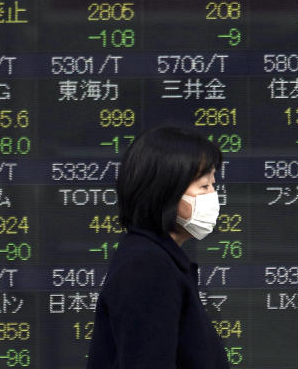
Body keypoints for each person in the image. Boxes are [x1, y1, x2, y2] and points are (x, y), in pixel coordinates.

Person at [86, 126, 230, 369]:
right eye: (204, 186)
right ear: (166, 191)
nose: (213, 196)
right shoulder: (147, 266)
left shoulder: (157, 258)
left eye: (212, 185)